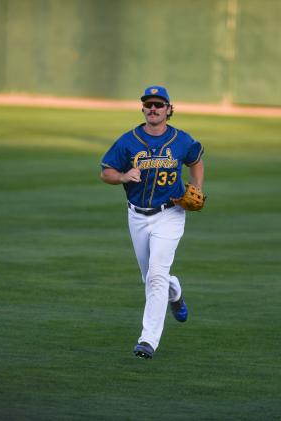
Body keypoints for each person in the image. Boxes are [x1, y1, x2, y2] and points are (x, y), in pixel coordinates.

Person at [99, 86, 205, 359]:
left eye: (159, 104)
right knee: (150, 277)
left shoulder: (181, 140)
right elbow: (106, 172)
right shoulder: (128, 141)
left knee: (156, 276)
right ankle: (175, 291)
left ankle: (148, 341)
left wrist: (197, 186)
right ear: (143, 108)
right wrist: (123, 177)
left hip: (170, 214)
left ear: (169, 109)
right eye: (149, 104)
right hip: (137, 215)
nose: (154, 108)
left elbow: (196, 160)